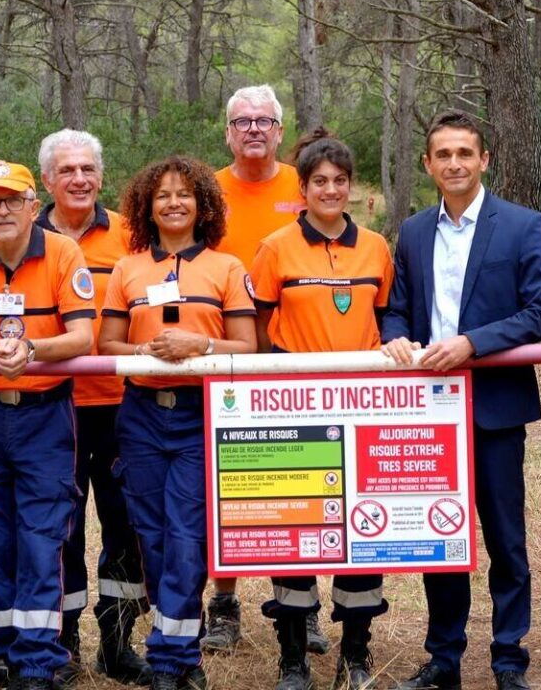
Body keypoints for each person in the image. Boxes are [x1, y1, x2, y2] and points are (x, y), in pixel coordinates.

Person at [381, 111, 541, 690]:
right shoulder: (410, 232)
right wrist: (395, 337)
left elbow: (540, 312)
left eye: (465, 153)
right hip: (426, 410)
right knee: (439, 536)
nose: (454, 164)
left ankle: (509, 657)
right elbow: (398, 308)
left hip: (494, 405)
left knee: (506, 538)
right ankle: (444, 657)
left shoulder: (523, 225)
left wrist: (472, 345)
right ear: (428, 164)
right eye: (443, 155)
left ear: (484, 160)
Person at [100, 156, 259, 690]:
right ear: (146, 206)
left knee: (188, 537)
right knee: (153, 537)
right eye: (162, 194)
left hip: (199, 416)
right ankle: (179, 653)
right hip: (141, 415)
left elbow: (247, 345)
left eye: (184, 194)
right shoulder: (127, 268)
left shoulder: (226, 267)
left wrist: (203, 345)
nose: (173, 202)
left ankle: (170, 660)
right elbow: (108, 344)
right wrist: (146, 351)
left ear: (203, 204)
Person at [0, 161, 96, 690]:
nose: (2, 210)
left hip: (44, 415)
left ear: (34, 205)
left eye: (13, 200)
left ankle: (36, 660)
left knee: (41, 535)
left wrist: (32, 350)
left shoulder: (61, 251)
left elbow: (81, 336)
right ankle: (4, 650)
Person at [249, 134, 393, 690]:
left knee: (361, 527)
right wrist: (276, 377)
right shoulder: (275, 247)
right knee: (294, 525)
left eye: (339, 181)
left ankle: (356, 652)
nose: (330, 190)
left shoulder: (376, 248)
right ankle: (292, 658)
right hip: (293, 400)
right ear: (302, 189)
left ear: (350, 187)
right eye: (319, 182)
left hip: (363, 404)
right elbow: (259, 323)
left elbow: (388, 315)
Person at [36, 130, 152, 684]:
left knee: (123, 523)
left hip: (119, 406)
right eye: (67, 170)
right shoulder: (23, 233)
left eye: (87, 169)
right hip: (48, 408)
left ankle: (117, 638)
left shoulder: (131, 236)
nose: (78, 179)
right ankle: (64, 642)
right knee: (60, 527)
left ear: (101, 178)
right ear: (47, 180)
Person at [205, 84, 308, 653]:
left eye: (264, 120)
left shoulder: (303, 184)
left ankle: (299, 600)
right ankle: (223, 602)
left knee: (293, 481)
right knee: (227, 482)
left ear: (280, 130)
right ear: (227, 132)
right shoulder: (207, 191)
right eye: (242, 121)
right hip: (223, 354)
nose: (253, 130)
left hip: (288, 355)